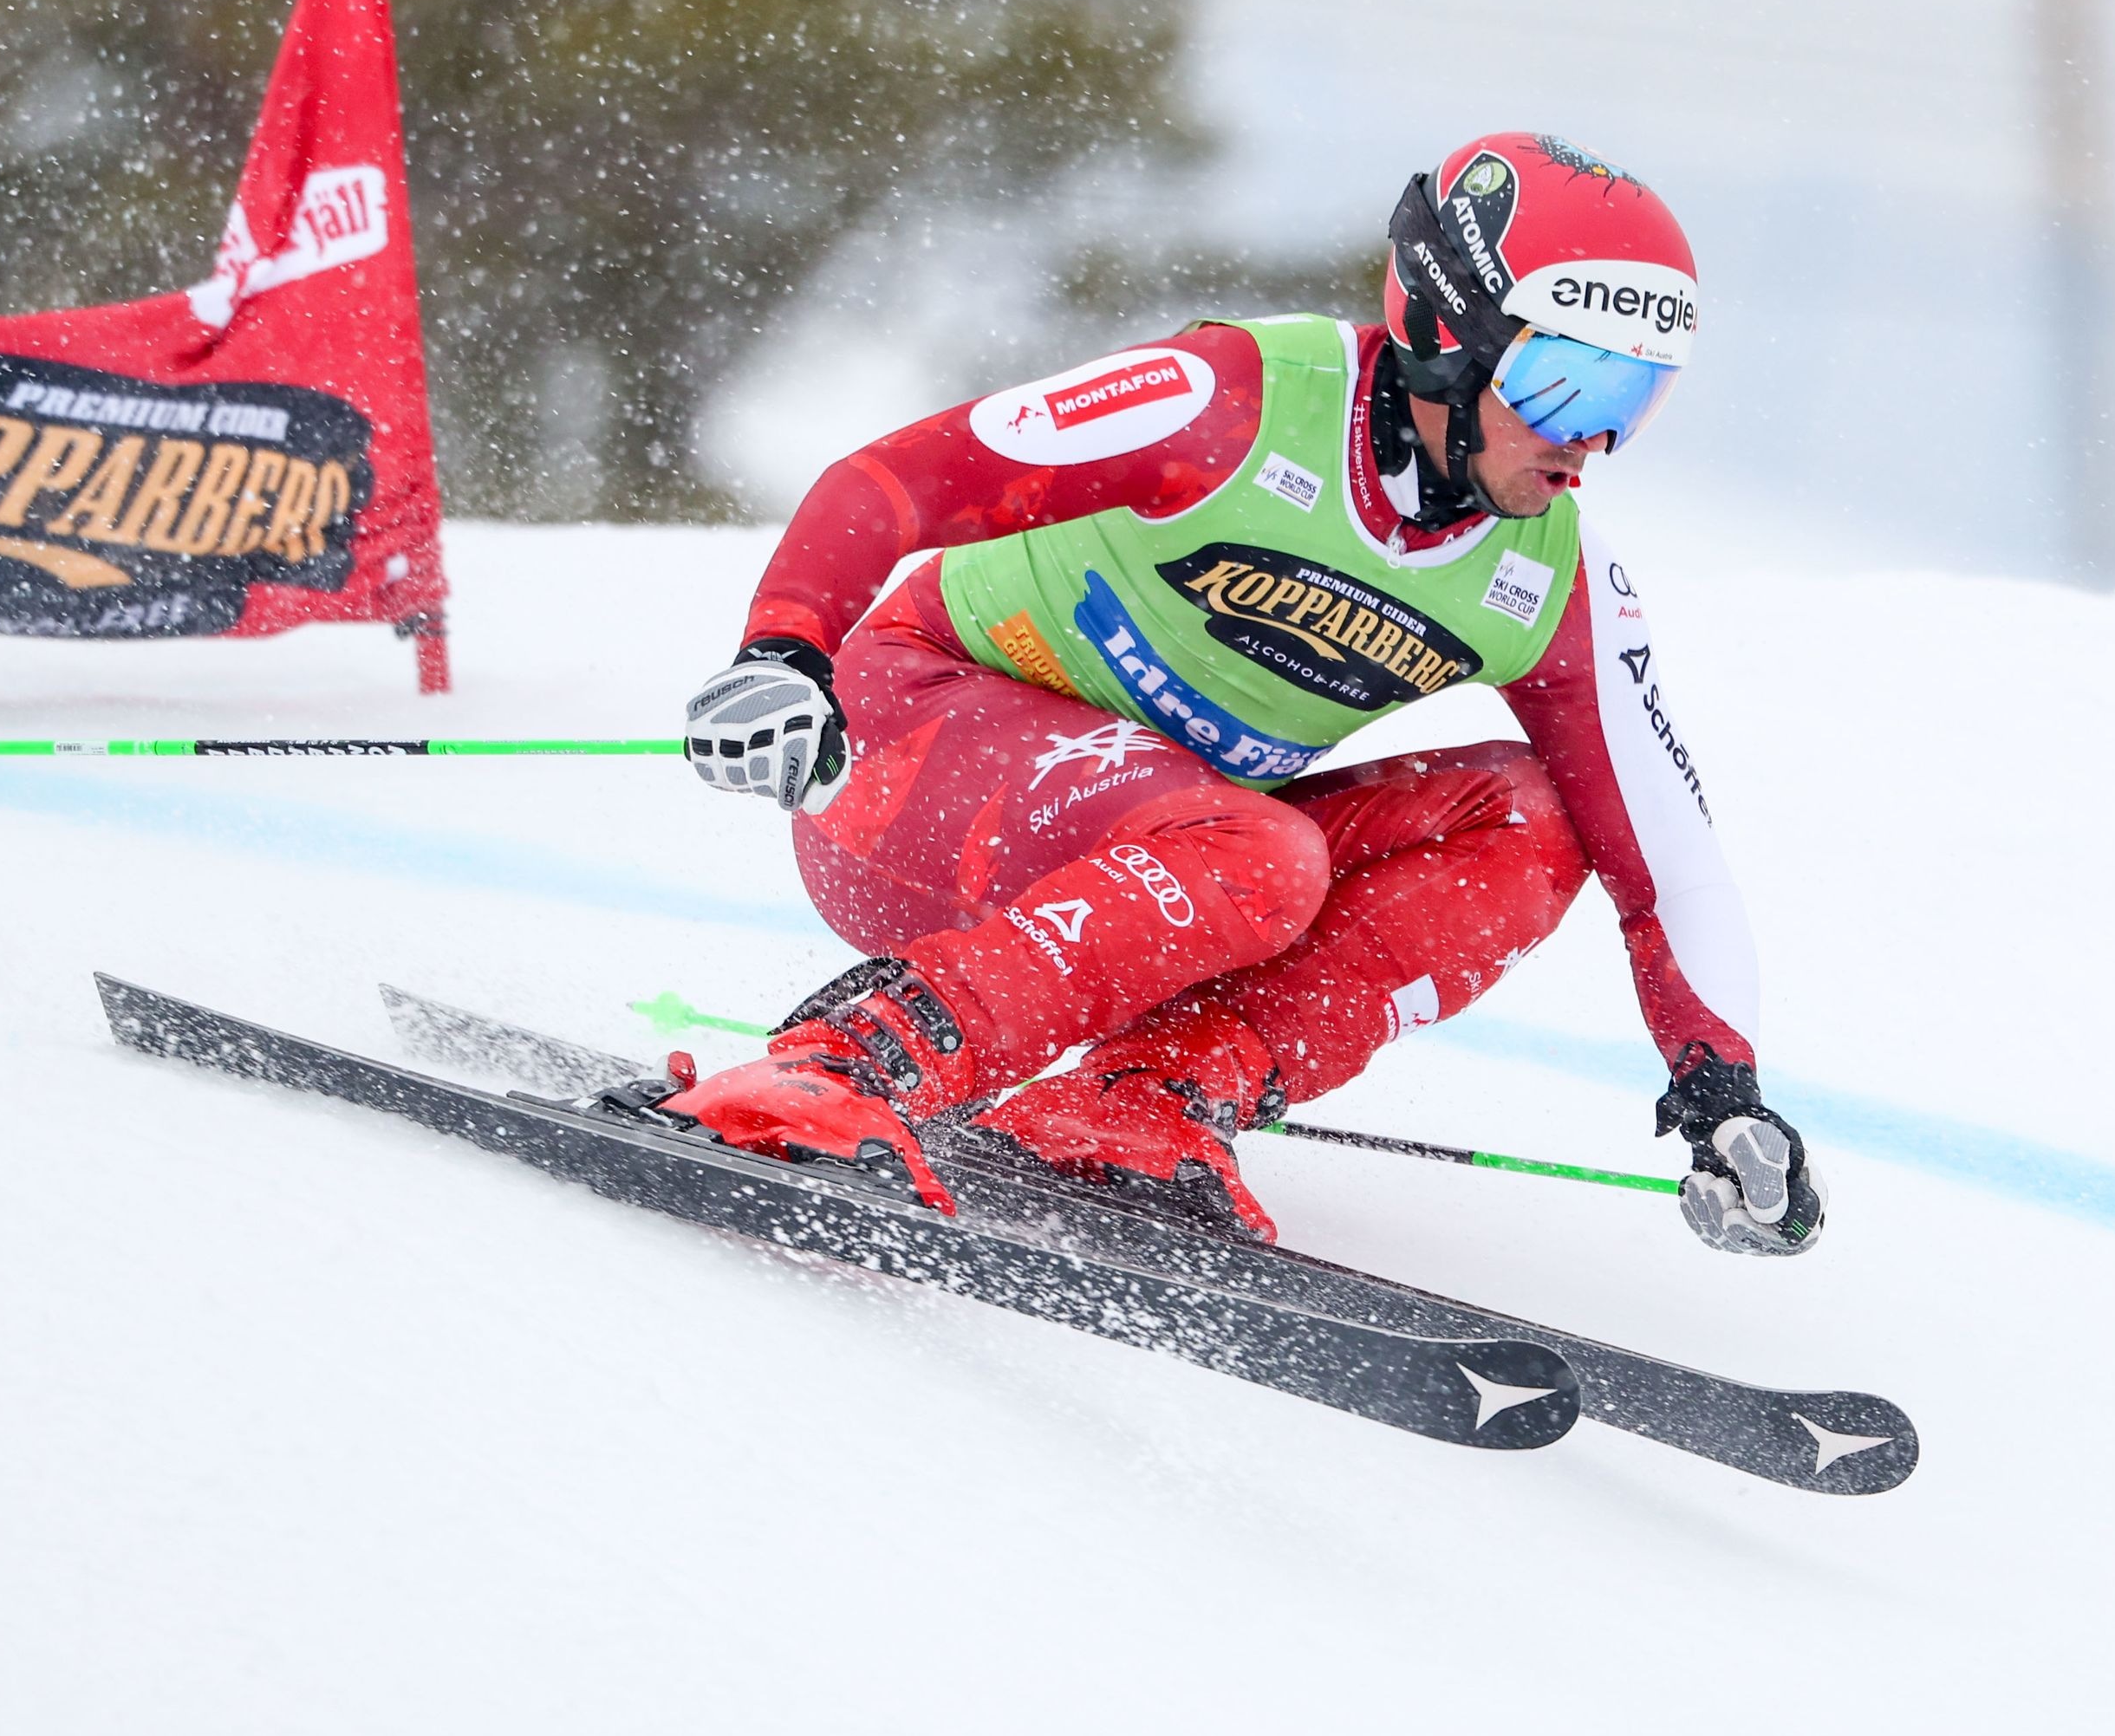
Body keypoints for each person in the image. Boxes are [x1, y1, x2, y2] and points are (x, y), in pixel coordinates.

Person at [668, 132, 1825, 1257]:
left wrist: (1723, 1087)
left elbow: (1661, 853)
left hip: (1157, 870)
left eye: (1640, 397)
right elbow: (901, 478)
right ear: (1448, 333)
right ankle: (842, 1060)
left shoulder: (1546, 576)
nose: (1597, 441)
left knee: (1532, 824)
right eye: (1570, 384)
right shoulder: (1233, 398)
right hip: (907, 758)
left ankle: (1143, 1096)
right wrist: (783, 653)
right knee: (1258, 855)